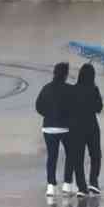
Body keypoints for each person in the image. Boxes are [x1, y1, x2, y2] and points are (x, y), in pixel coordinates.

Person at [35, 62, 75, 197]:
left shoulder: (46, 88)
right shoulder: (70, 90)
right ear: (66, 74)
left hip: (48, 128)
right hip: (66, 129)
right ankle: (67, 184)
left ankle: (51, 186)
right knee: (70, 155)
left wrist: (48, 115)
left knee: (52, 157)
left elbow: (38, 106)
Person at [67, 63, 104, 196]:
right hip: (91, 126)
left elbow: (67, 109)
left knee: (78, 157)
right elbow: (99, 108)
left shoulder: (72, 90)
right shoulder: (94, 89)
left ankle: (81, 187)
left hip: (76, 128)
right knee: (95, 155)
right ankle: (93, 182)